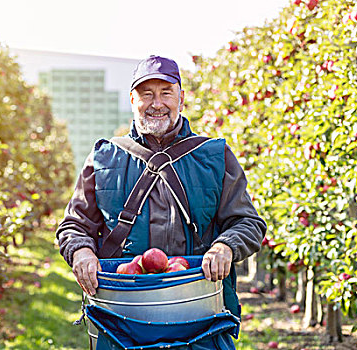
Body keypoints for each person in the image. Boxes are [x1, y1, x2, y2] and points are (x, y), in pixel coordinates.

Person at [56, 55, 266, 300]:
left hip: (196, 297)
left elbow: (248, 222)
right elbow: (75, 225)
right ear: (133, 100)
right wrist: (81, 251)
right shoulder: (104, 157)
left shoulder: (215, 156)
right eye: (146, 94)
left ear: (181, 98)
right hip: (121, 303)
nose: (156, 104)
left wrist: (225, 246)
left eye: (166, 93)